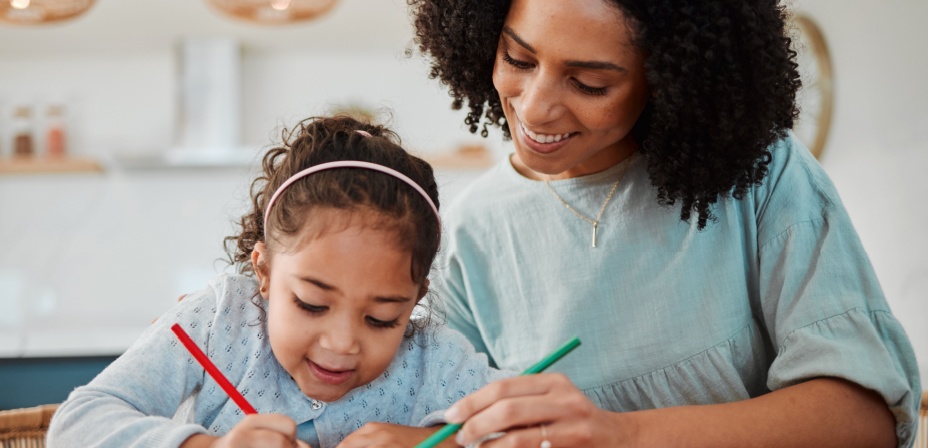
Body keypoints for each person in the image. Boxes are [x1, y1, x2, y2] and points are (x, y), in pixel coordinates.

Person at [407, 0, 922, 447]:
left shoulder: (761, 176)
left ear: (666, 78)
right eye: (517, 58)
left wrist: (624, 437)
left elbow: (865, 419)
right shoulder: (468, 232)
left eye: (590, 83)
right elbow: (457, 424)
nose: (535, 108)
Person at [46, 116, 513, 448]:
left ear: (414, 302)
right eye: (311, 304)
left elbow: (532, 431)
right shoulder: (215, 321)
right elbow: (76, 425)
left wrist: (436, 442)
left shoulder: (436, 357)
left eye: (382, 318)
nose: (342, 343)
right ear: (264, 271)